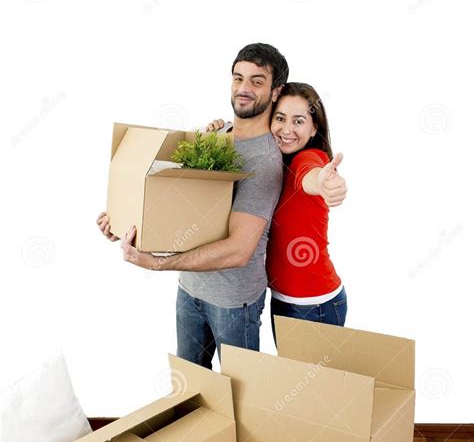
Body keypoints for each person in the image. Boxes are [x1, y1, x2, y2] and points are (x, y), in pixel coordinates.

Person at [97, 42, 288, 367]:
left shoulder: (265, 161)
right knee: (190, 389)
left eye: (257, 81)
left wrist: (156, 263)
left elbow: (238, 251)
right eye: (238, 78)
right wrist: (130, 225)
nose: (243, 89)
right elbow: (181, 206)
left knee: (239, 397)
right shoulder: (216, 136)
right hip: (190, 289)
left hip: (232, 301)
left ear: (275, 92)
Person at [207, 82, 348, 342]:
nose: (287, 130)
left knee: (311, 382)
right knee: (293, 380)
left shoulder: (308, 159)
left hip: (314, 304)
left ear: (314, 127)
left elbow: (311, 177)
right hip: (282, 298)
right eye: (280, 118)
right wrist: (222, 132)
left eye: (299, 121)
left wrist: (326, 183)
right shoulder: (274, 162)